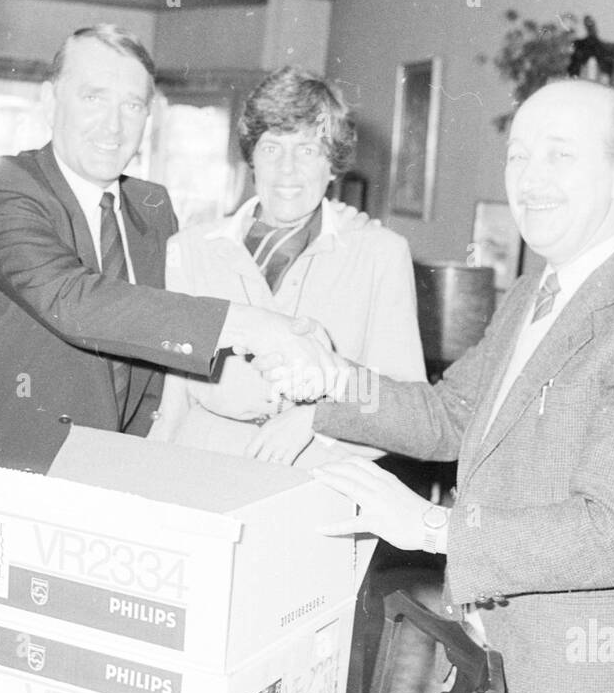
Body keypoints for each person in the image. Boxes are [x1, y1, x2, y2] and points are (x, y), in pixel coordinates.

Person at [280, 79, 614, 693]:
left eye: (559, 155)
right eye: (519, 154)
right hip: (494, 640)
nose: (530, 178)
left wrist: (429, 528)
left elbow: (611, 533)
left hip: (574, 678)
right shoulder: (536, 291)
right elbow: (455, 412)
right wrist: (330, 384)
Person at [0, 25, 341, 473]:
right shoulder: (1, 184)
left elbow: (159, 324)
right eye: (93, 98)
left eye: (132, 105)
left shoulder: (153, 206)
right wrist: (254, 327)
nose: (113, 126)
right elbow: (73, 300)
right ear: (49, 101)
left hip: (106, 471)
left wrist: (331, 219)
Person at [148, 66, 426, 467]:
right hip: (201, 462)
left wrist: (319, 422)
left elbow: (405, 406)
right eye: (272, 148)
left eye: (307, 150)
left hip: (321, 470)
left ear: (333, 165)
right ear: (251, 159)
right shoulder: (190, 251)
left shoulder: (380, 254)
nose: (287, 169)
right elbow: (174, 399)